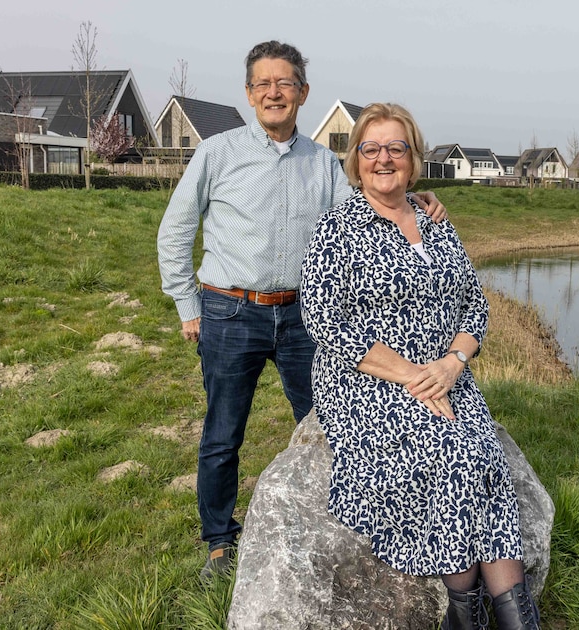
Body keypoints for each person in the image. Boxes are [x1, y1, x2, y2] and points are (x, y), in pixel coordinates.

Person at [157, 42, 446, 582]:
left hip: (302, 318)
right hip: (229, 312)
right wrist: (186, 302)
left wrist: (418, 198)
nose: (274, 92)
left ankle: (333, 519)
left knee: (326, 422)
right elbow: (175, 231)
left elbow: (368, 207)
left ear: (302, 94)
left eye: (285, 83)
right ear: (248, 93)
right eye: (263, 84)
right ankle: (220, 542)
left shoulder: (323, 163)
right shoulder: (217, 152)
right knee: (223, 433)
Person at [301, 103, 540, 629]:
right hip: (368, 380)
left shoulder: (435, 223)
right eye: (371, 148)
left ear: (413, 158)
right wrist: (414, 376)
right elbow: (323, 318)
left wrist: (452, 364)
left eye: (396, 148)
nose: (383, 158)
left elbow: (474, 306)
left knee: (484, 457)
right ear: (356, 159)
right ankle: (467, 606)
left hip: (444, 374)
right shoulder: (338, 229)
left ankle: (504, 618)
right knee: (449, 452)